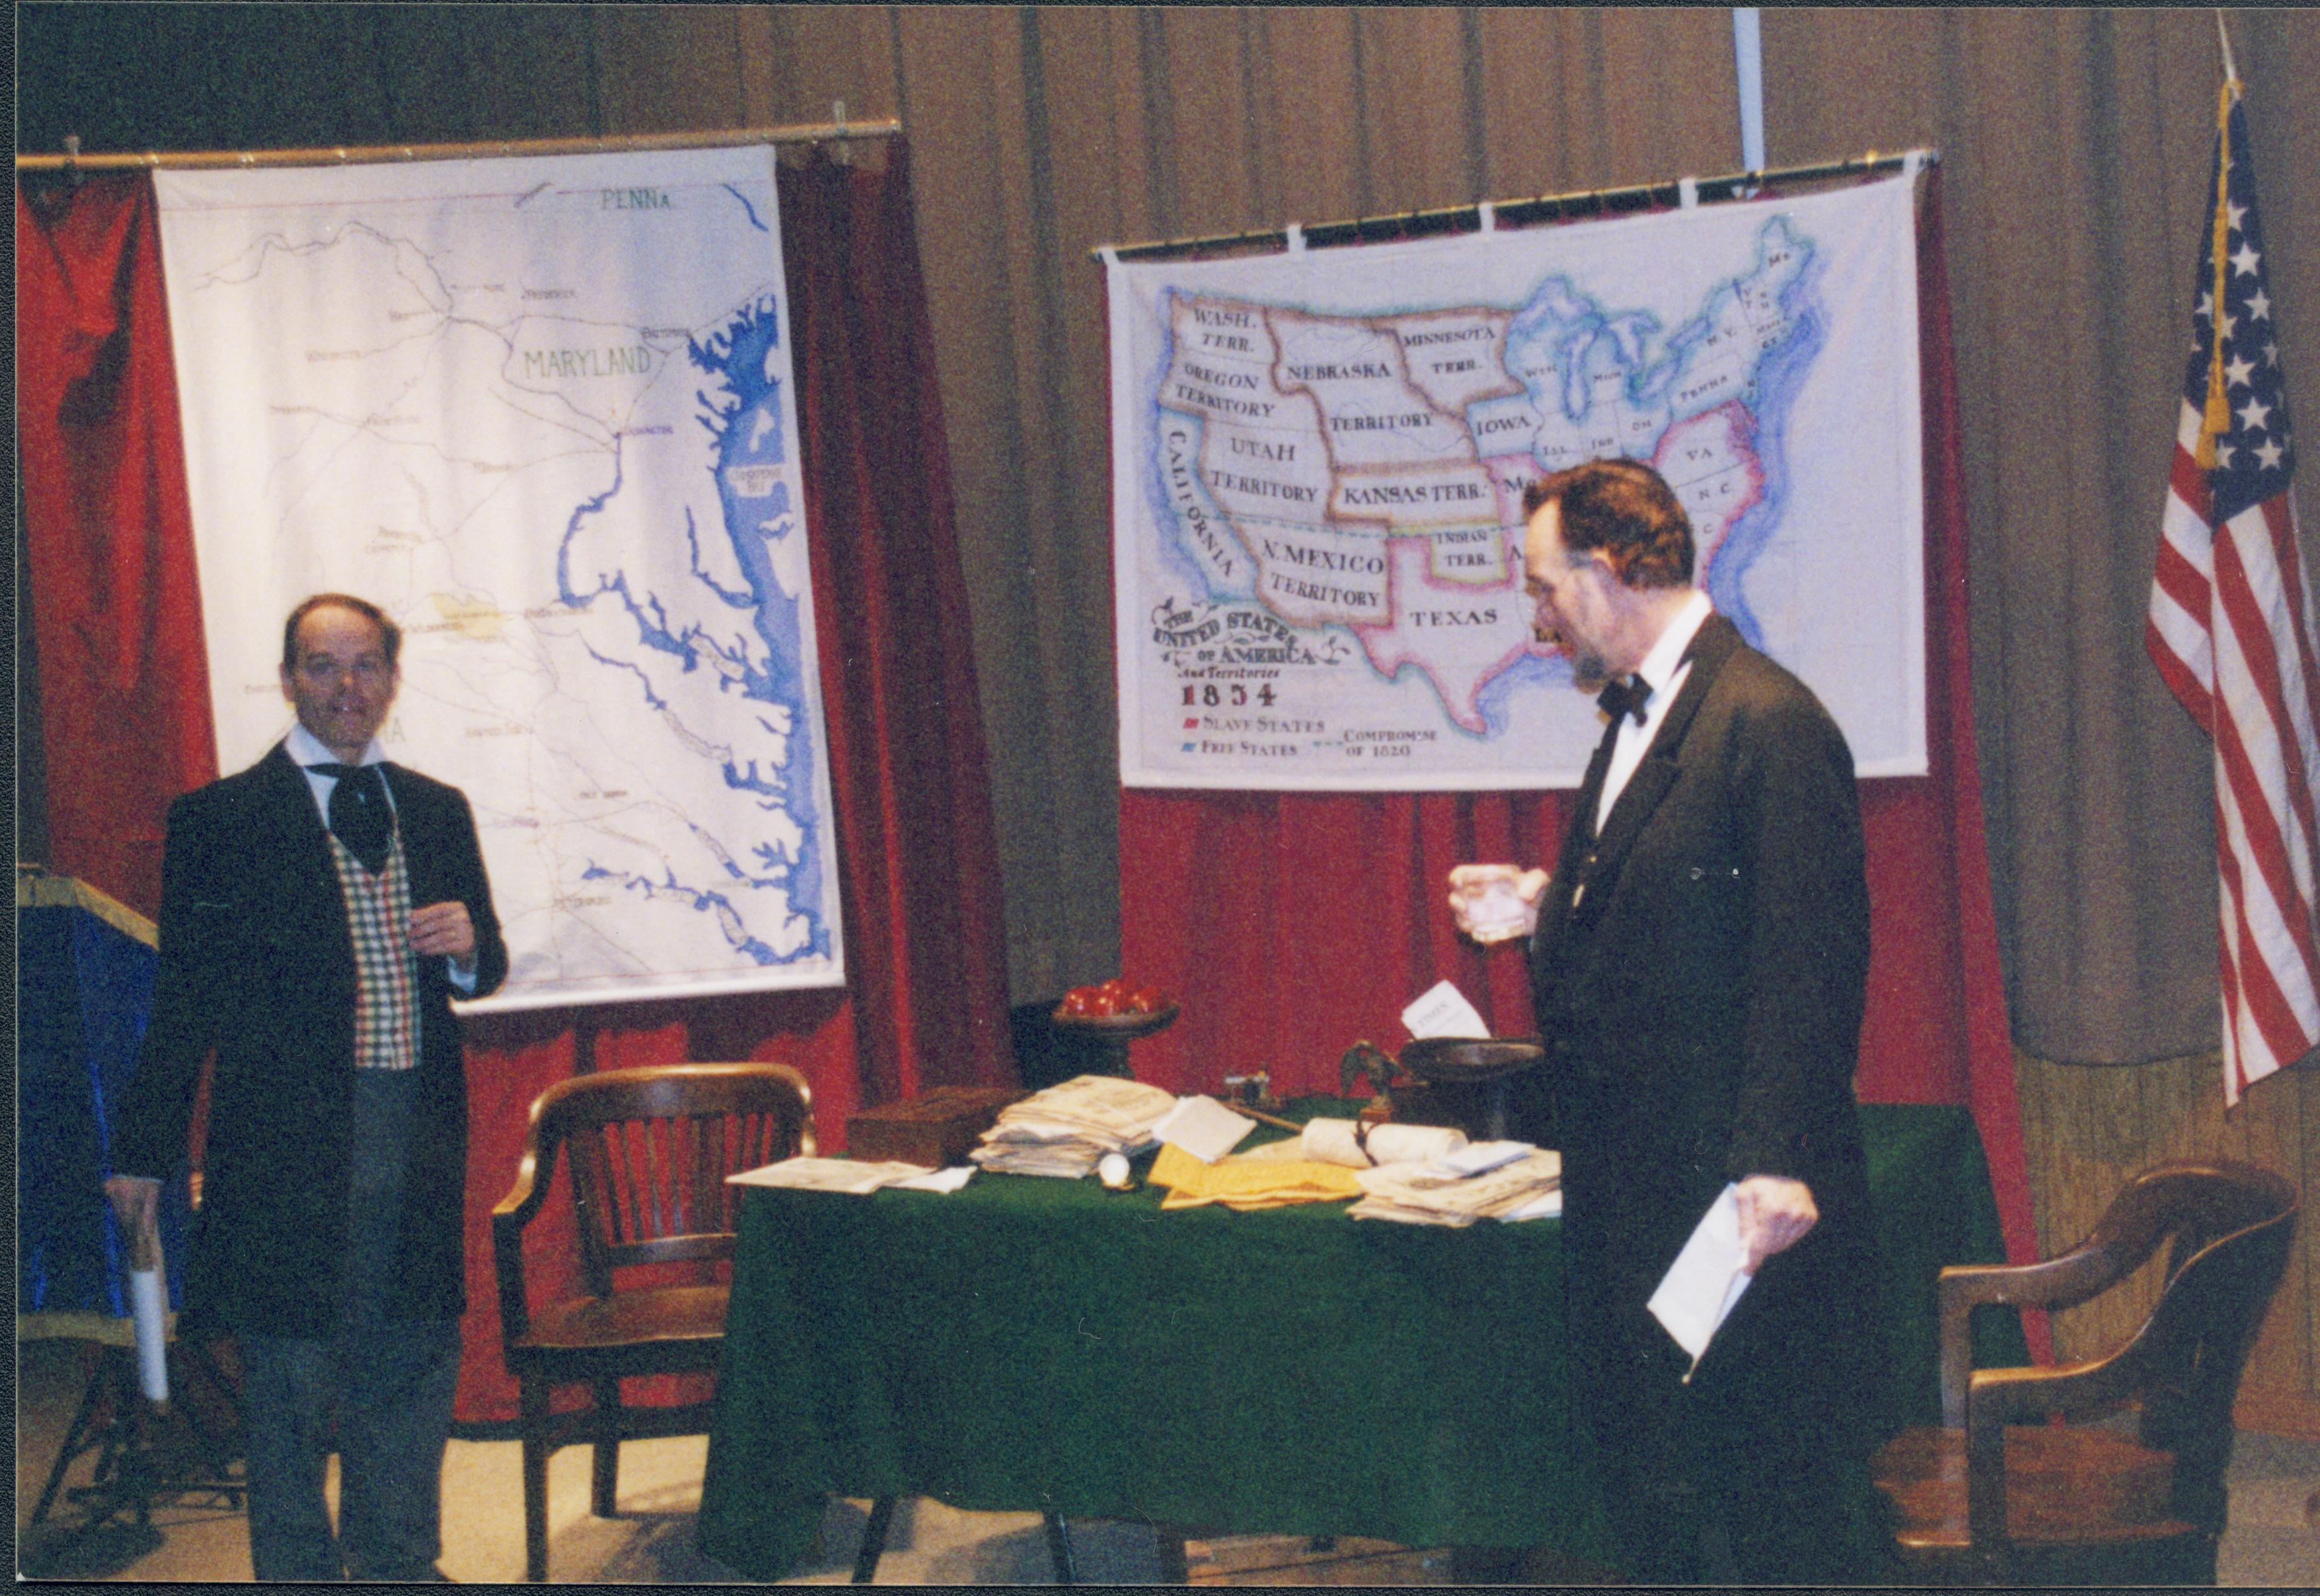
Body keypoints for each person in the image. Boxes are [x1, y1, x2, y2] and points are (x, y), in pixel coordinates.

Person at [1447, 458, 1887, 1582]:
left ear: (1608, 571)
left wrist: (1778, 1163)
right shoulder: (1650, 715)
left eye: (1547, 587)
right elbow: (1683, 929)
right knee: (1662, 1494)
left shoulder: (1769, 720)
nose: (1540, 619)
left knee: (1772, 1510)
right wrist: (1546, 905)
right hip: (1639, 1182)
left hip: (1732, 1201)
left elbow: (1811, 960)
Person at [105, 593, 507, 1581]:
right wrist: (142, 1153)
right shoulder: (219, 820)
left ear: (392, 679)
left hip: (414, 1130)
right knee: (289, 1373)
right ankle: (296, 1574)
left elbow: (482, 963)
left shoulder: (438, 807)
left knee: (410, 1357)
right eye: (323, 667)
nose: (347, 688)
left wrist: (470, 950)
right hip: (287, 1145)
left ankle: (398, 1564)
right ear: (289, 681)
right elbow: (183, 1002)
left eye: (366, 664)